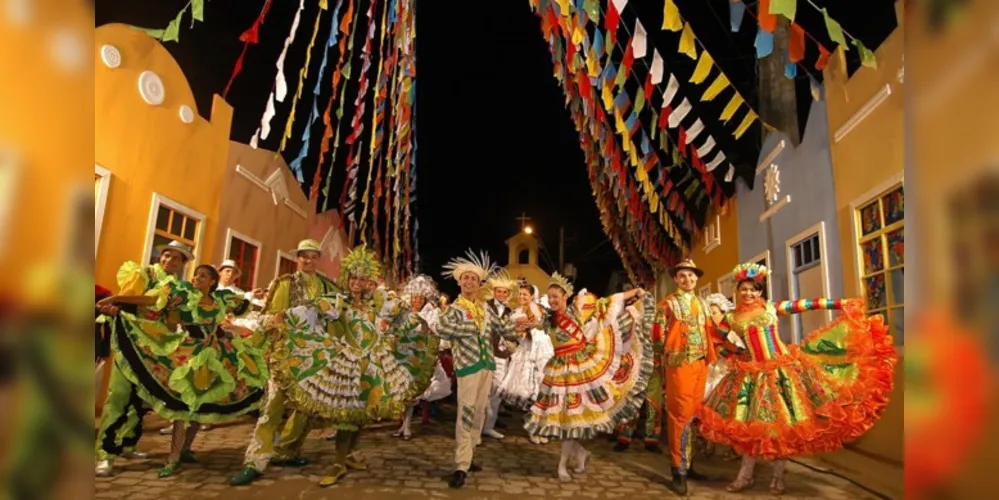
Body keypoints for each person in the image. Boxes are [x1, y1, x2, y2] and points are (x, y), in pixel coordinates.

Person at [698, 263, 897, 495]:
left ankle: (778, 478)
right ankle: (745, 477)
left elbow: (806, 305)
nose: (749, 293)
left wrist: (841, 303)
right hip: (751, 376)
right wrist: (715, 359)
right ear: (737, 291)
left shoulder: (772, 308)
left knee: (785, 427)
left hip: (783, 372)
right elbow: (724, 342)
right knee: (751, 429)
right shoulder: (731, 318)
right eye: (744, 289)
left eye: (754, 289)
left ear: (761, 292)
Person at [267, 245, 438, 487]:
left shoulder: (377, 302)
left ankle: (348, 455)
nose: (357, 282)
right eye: (353, 277)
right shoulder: (338, 302)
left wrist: (422, 328)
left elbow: (403, 316)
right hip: (347, 365)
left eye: (362, 278)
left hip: (372, 363)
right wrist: (280, 318)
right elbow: (309, 312)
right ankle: (338, 462)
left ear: (369, 280)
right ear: (347, 279)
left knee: (361, 414)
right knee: (346, 416)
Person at [229, 239, 341, 486]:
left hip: (317, 357)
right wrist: (281, 319)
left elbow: (338, 320)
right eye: (304, 256)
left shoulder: (329, 287)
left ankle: (287, 450)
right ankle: (255, 461)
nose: (309, 261)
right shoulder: (285, 284)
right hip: (285, 354)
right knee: (272, 408)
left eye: (313, 256)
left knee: (308, 408)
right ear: (297, 259)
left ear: (318, 259)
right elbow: (266, 318)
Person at [525, 274, 655, 482]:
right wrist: (526, 301)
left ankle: (562, 464)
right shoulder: (548, 317)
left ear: (566, 296)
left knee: (572, 418)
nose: (552, 300)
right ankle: (581, 454)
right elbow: (530, 314)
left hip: (580, 368)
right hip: (558, 370)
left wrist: (636, 292)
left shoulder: (579, 310)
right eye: (549, 297)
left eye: (556, 296)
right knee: (566, 419)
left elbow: (609, 302)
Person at [95, 240, 193, 476]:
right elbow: (126, 300)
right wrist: (113, 306)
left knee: (143, 398)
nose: (169, 260)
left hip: (156, 346)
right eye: (167, 255)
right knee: (119, 394)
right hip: (130, 341)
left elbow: (174, 317)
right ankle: (106, 454)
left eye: (176, 258)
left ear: (182, 264)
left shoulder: (178, 288)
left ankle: (129, 443)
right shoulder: (141, 273)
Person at [436, 250, 522, 489]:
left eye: (474, 278)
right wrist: (470, 330)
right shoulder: (454, 309)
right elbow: (442, 329)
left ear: (479, 283)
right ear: (459, 282)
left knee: (480, 411)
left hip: (487, 365)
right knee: (466, 411)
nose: (470, 281)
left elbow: (504, 327)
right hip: (468, 367)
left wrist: (519, 327)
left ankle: (469, 454)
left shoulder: (485, 309)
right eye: (466, 278)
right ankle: (461, 464)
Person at [657, 259, 739, 495]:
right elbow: (656, 336)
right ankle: (678, 470)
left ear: (696, 279)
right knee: (680, 415)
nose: (688, 279)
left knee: (694, 415)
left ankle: (688, 464)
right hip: (679, 364)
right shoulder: (668, 305)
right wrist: (658, 365)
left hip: (701, 363)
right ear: (676, 279)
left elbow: (713, 332)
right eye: (683, 276)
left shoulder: (703, 304)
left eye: (691, 276)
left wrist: (738, 348)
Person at [393, 275, 452, 440]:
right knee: (403, 393)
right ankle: (404, 425)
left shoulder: (431, 314)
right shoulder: (403, 312)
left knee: (413, 393)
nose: (417, 301)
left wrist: (424, 328)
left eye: (420, 298)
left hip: (420, 358)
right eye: (414, 298)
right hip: (402, 356)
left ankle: (408, 426)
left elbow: (433, 333)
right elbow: (396, 331)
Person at [496, 283, 555, 446]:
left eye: (525, 295)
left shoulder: (539, 309)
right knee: (531, 393)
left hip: (542, 352)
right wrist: (518, 331)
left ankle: (541, 428)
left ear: (532, 296)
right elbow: (512, 334)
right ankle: (533, 429)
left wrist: (532, 325)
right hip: (526, 354)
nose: (521, 297)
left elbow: (545, 326)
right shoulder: (515, 313)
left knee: (542, 392)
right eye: (520, 294)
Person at [481, 272, 517, 440]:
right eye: (499, 291)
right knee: (482, 391)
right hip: (486, 353)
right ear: (494, 292)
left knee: (496, 393)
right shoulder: (485, 306)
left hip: (502, 356)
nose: (501, 294)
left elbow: (513, 334)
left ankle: (489, 426)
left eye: (504, 292)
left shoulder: (511, 312)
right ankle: (476, 429)